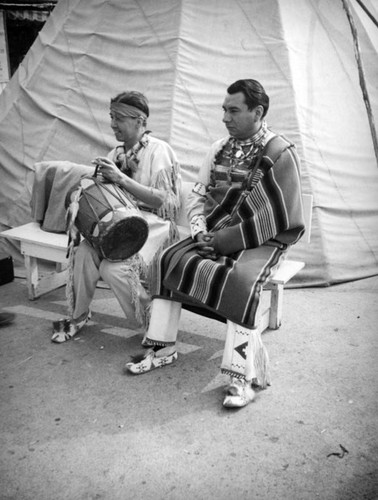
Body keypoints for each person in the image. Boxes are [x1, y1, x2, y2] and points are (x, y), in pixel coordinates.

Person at [125, 79, 305, 409]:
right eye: (224, 109)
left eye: (233, 110)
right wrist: (198, 232)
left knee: (239, 281)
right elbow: (197, 194)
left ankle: (242, 377)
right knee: (168, 258)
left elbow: (282, 216)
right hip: (212, 232)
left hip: (261, 240)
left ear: (258, 112)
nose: (225, 117)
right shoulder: (219, 147)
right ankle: (163, 347)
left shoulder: (279, 153)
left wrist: (223, 240)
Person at [51, 91, 181, 343]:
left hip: (153, 226)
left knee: (114, 268)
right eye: (112, 117)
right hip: (118, 225)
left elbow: (166, 202)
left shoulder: (159, 150)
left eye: (119, 118)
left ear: (140, 121)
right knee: (83, 253)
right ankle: (78, 317)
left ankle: (152, 324)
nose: (113, 124)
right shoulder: (115, 154)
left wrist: (120, 178)